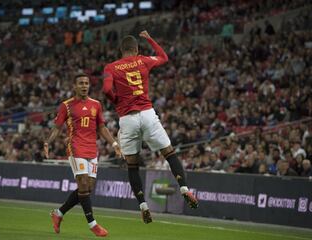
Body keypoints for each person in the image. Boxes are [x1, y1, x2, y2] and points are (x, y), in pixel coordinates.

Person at [103, 30, 198, 224]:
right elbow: (164, 56)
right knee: (169, 154)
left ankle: (143, 206)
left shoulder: (111, 67)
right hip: (147, 114)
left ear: (121, 50)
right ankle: (185, 190)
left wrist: (116, 101)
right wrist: (150, 39)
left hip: (127, 118)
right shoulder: (144, 60)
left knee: (132, 165)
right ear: (137, 49)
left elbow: (105, 89)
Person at [44, 73, 122, 237]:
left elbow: (101, 128)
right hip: (75, 147)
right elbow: (57, 128)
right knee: (84, 183)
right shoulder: (66, 105)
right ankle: (93, 224)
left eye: (86, 83)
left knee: (87, 188)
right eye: (81, 83)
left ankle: (58, 213)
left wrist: (114, 143)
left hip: (92, 149)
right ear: (75, 86)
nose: (84, 86)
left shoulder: (96, 105)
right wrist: (47, 142)